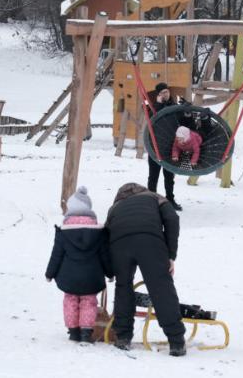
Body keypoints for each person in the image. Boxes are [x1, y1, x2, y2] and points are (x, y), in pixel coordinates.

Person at [105, 183, 186, 356]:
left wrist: (111, 269)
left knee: (123, 286)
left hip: (120, 245)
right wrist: (170, 254)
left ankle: (123, 337)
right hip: (150, 241)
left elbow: (105, 235)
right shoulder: (155, 198)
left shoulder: (115, 208)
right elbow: (172, 218)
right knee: (160, 287)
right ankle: (176, 341)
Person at [45, 186, 112, 344]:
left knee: (70, 301)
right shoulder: (98, 232)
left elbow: (56, 255)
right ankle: (86, 333)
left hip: (69, 277)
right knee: (89, 302)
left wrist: (50, 274)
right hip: (92, 277)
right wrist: (110, 273)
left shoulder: (63, 232)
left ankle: (74, 332)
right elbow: (104, 256)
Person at [147, 82, 182, 211]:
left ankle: (170, 199)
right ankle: (151, 200)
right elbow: (151, 118)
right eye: (162, 93)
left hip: (170, 148)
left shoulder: (174, 106)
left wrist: (186, 109)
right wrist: (158, 104)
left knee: (169, 176)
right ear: (158, 95)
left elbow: (182, 120)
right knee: (153, 176)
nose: (165, 94)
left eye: (166, 92)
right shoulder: (153, 107)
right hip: (155, 147)